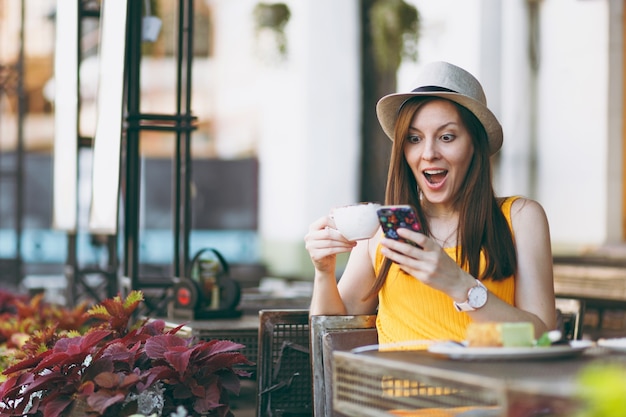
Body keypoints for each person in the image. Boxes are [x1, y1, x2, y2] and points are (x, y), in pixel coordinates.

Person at [305, 61, 555, 345]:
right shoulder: (382, 227)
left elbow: (541, 336)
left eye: (446, 137)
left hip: (487, 387)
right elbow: (332, 332)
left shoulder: (520, 218)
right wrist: (324, 271)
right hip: (394, 389)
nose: (428, 153)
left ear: (475, 144)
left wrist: (460, 284)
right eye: (414, 138)